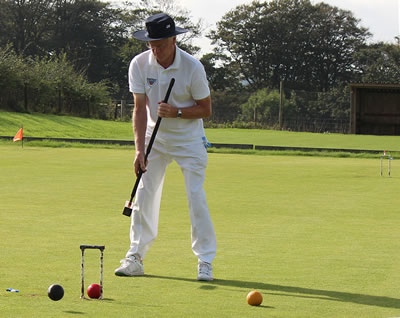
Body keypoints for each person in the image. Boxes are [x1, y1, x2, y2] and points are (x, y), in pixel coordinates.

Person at [114, 12, 216, 281]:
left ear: (173, 39)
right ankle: (135, 256)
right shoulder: (139, 64)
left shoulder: (193, 67)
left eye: (160, 44)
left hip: (189, 140)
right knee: (145, 195)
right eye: (151, 44)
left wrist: (178, 113)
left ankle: (205, 260)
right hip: (153, 138)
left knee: (196, 197)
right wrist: (138, 150)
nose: (155, 50)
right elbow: (138, 109)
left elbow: (206, 109)